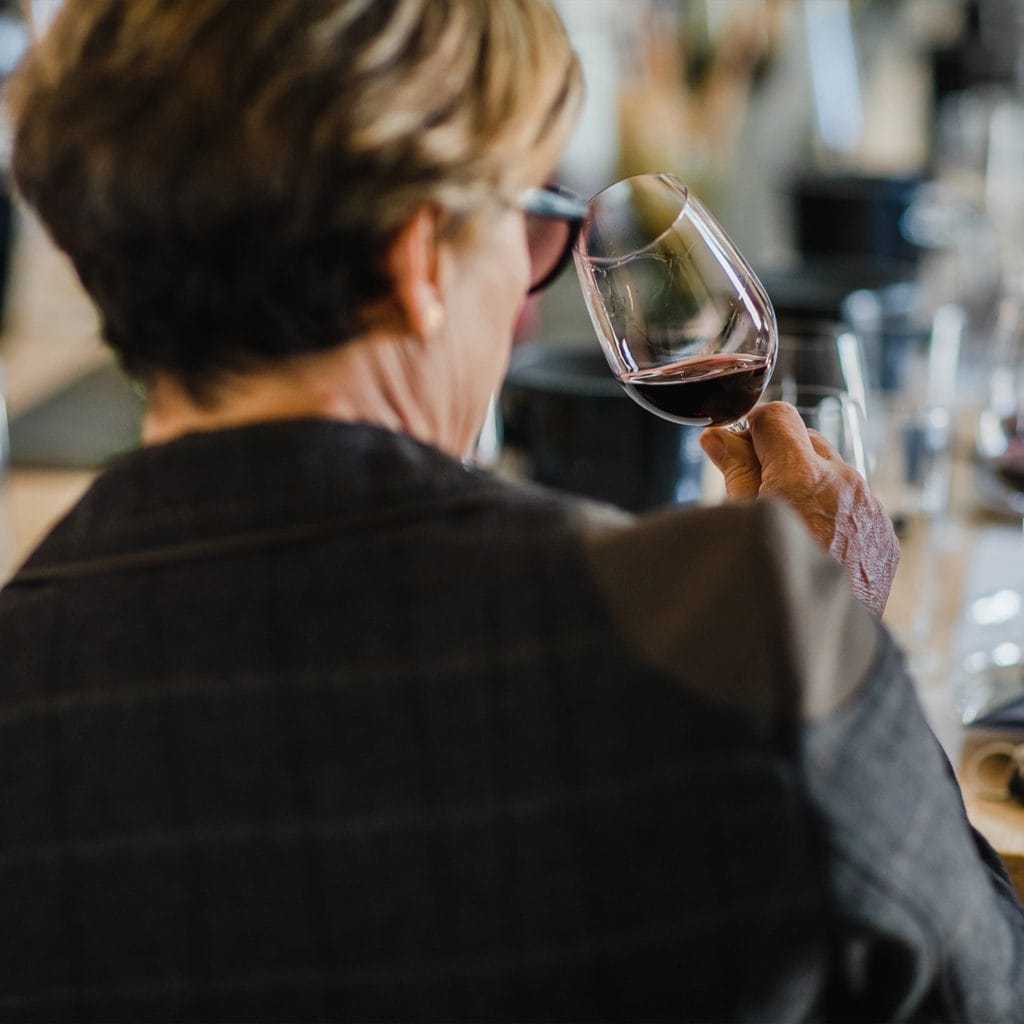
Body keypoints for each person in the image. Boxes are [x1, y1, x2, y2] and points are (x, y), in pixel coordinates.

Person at [0, 1, 1020, 1020]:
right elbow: (983, 984)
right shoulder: (736, 637)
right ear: (418, 258)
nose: (530, 303)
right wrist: (833, 661)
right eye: (530, 224)